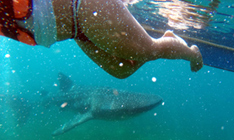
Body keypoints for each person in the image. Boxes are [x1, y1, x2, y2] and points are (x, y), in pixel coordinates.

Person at [0, 0, 203, 79]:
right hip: (77, 31)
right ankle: (160, 41)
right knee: (122, 69)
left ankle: (190, 53)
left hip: (86, 8)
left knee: (148, 51)